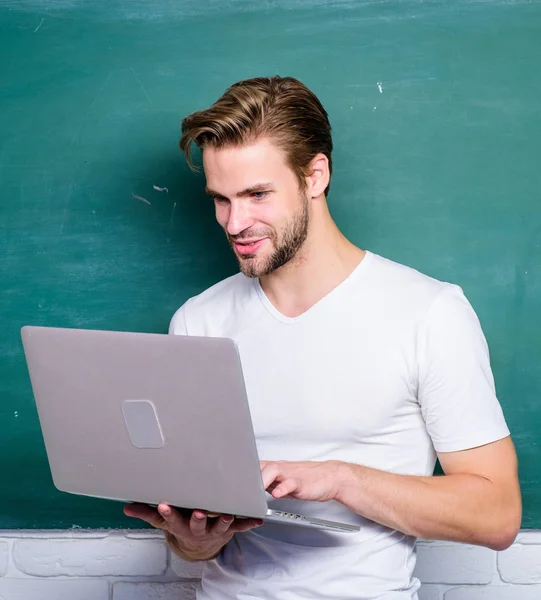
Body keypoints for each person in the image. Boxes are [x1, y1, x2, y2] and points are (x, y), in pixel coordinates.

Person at [124, 76, 522, 599]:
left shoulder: (428, 312)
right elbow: (195, 549)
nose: (235, 222)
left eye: (257, 194)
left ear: (315, 175)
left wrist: (340, 478)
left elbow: (496, 515)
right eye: (220, 199)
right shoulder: (198, 321)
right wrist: (193, 537)